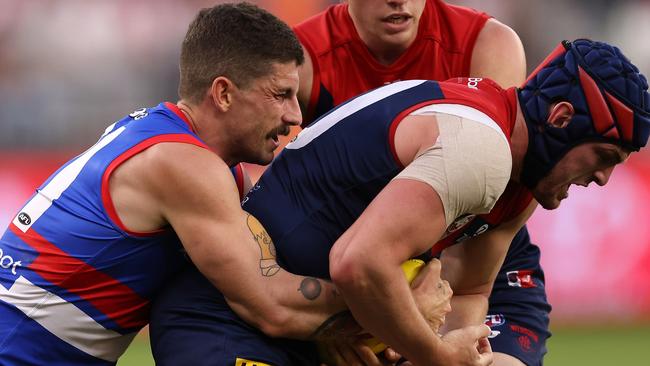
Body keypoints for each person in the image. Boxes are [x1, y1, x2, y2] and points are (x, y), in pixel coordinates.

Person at [0, 3, 455, 365]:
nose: (295, 115)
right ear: (222, 93)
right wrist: (400, 306)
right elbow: (272, 307)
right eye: (280, 95)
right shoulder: (183, 165)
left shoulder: (186, 150)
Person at [150, 38, 650, 366]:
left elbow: (471, 292)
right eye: (604, 155)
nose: (603, 178)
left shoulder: (522, 178)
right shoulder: (483, 148)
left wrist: (438, 352)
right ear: (560, 118)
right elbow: (358, 263)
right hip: (221, 324)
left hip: (307, 338)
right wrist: (432, 354)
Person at [292, 1, 544, 365]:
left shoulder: (488, 44)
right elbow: (278, 196)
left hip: (478, 260)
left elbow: (481, 207)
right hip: (353, 268)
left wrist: (422, 334)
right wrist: (322, 321)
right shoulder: (300, 58)